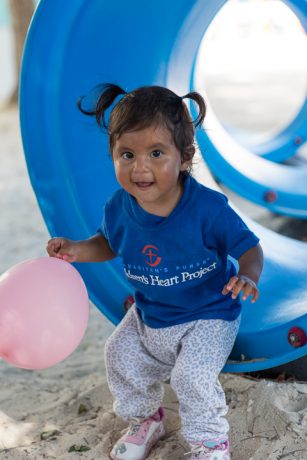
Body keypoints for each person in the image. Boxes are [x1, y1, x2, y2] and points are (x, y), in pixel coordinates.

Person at [46, 83, 263, 460]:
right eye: (127, 154)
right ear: (112, 155)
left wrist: (247, 275)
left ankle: (210, 443)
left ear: (184, 158)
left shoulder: (206, 209)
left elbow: (249, 247)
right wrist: (77, 250)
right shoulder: (118, 207)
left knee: (190, 378)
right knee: (118, 354)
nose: (139, 167)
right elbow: (108, 243)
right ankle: (146, 420)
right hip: (152, 314)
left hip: (209, 315)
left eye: (156, 153)